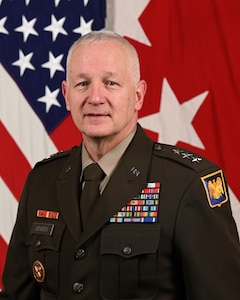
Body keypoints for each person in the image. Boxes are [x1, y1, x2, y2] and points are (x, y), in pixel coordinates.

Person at [1, 30, 240, 300]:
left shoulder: (187, 184)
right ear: (66, 95)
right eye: (82, 84)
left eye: (111, 83)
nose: (95, 97)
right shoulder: (41, 181)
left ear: (138, 95)